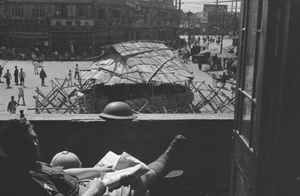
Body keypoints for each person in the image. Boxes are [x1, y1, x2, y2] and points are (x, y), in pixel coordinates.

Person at [0, 102, 186, 196]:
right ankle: (167, 159)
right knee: (139, 179)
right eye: (28, 142)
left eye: (35, 138)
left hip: (84, 186)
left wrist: (98, 171)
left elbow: (61, 172)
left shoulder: (29, 163)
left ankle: (164, 161)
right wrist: (95, 189)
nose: (34, 144)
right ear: (15, 148)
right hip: (89, 193)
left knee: (125, 169)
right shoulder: (27, 180)